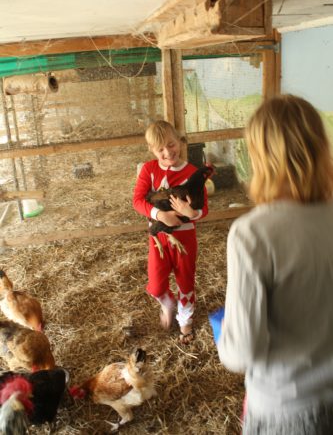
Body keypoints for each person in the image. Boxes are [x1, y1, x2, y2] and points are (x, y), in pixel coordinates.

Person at [217, 94, 333, 434]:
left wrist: (223, 335)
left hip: (288, 407)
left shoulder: (253, 234)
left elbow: (241, 351)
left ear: (260, 157)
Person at [133, 120, 208, 344]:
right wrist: (160, 215)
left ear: (179, 142)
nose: (168, 152)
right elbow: (137, 201)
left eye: (171, 144)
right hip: (158, 238)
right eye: (161, 149)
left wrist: (190, 212)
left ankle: (185, 320)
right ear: (152, 150)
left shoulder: (193, 173)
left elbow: (203, 209)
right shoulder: (149, 170)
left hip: (185, 237)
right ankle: (167, 303)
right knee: (156, 285)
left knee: (185, 281)